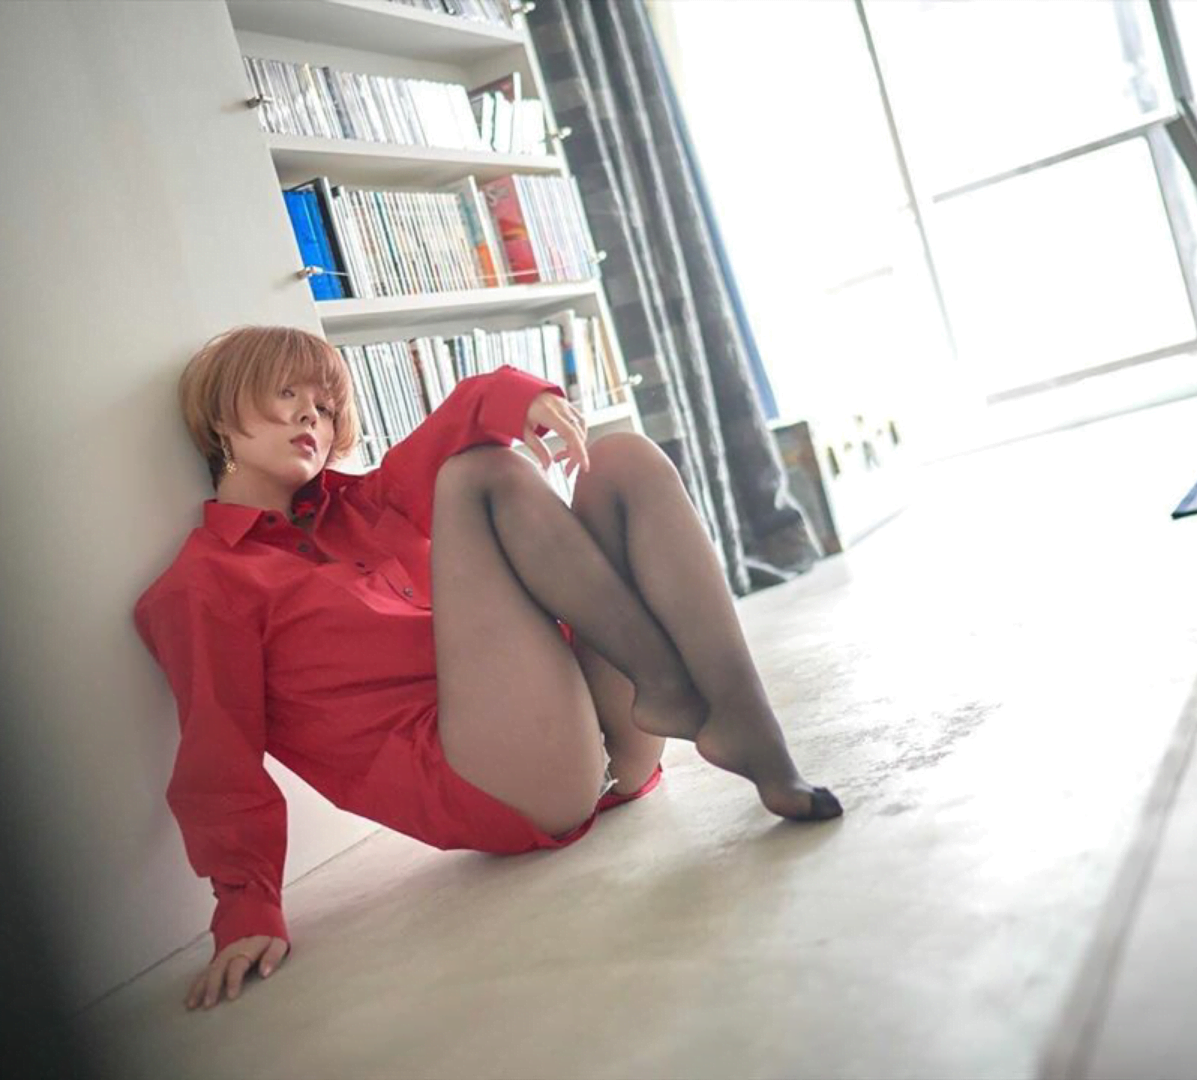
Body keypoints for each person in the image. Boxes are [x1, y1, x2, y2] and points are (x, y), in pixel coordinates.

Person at [133, 325, 842, 1013]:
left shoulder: (365, 505)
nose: (309, 417)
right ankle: (668, 684)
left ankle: (746, 729)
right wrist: (245, 905)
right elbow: (218, 753)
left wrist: (522, 397)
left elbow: (450, 430)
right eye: (286, 395)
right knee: (478, 473)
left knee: (622, 459)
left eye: (323, 404)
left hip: (600, 740)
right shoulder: (204, 586)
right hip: (491, 782)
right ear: (220, 418)